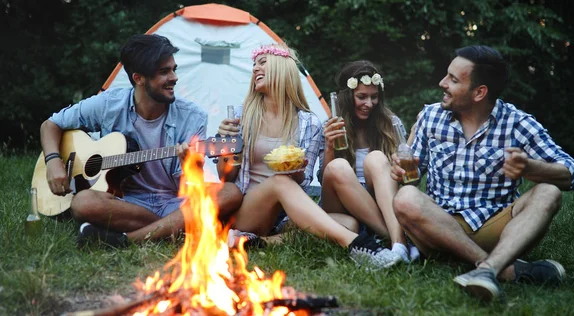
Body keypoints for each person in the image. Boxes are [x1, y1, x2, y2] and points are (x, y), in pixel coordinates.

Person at [391, 45, 574, 301]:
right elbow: (412, 177)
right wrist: (403, 171)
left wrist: (532, 168)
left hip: (496, 228)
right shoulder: (431, 116)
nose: (442, 83)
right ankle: (494, 268)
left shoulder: (517, 122)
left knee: (548, 191)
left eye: (453, 79)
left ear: (479, 92)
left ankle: (487, 267)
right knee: (405, 197)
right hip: (439, 229)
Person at [40, 34, 242, 248]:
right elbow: (50, 125)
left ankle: (125, 240)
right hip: (125, 202)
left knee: (230, 193)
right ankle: (176, 229)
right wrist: (53, 161)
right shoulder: (109, 104)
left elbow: (194, 184)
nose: (174, 77)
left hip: (173, 202)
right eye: (164, 72)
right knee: (82, 202)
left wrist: (192, 165)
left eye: (174, 69)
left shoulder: (192, 116)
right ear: (138, 78)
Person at [216, 44, 402, 269]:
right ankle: (358, 246)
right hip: (248, 211)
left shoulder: (308, 123)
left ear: (281, 68)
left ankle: (260, 243)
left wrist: (296, 171)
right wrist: (227, 147)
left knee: (348, 223)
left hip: (286, 218)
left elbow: (303, 182)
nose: (255, 69)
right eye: (254, 64)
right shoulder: (240, 116)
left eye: (262, 62)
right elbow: (226, 178)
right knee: (279, 182)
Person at [319, 60, 419, 263]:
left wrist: (402, 165)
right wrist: (329, 146)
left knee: (376, 158)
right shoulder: (333, 125)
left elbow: (406, 181)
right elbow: (323, 179)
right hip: (340, 203)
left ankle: (398, 247)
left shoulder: (390, 124)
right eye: (362, 97)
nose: (369, 104)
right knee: (338, 166)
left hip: (378, 201)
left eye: (374, 97)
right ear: (347, 97)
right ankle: (402, 239)